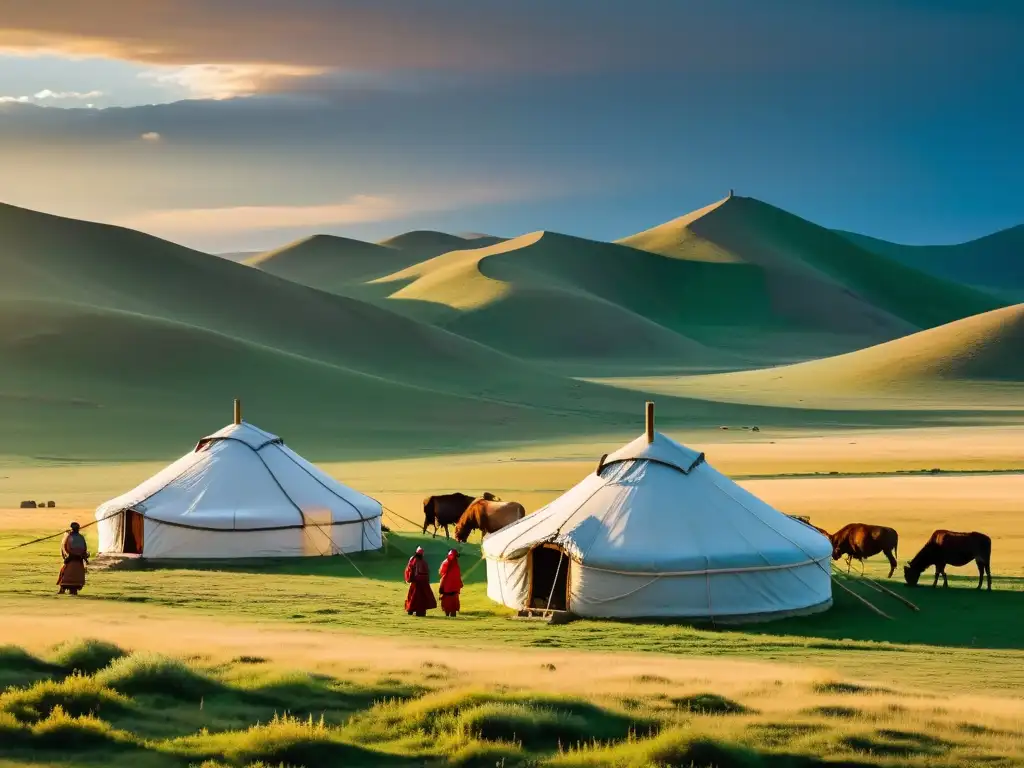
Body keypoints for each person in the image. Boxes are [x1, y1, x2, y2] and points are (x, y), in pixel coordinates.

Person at [57, 522, 89, 596]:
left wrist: (68, 556)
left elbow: (65, 547)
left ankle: (67, 590)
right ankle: (71, 591)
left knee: (67, 574)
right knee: (71, 575)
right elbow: (83, 549)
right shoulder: (79, 537)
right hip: (77, 560)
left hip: (72, 559)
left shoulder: (70, 537)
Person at [404, 546, 436, 617]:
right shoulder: (423, 562)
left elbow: (410, 571)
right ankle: (419, 612)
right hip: (423, 583)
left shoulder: (413, 560)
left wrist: (409, 579)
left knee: (413, 597)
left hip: (416, 582)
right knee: (421, 598)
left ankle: (410, 610)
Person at [438, 549, 463, 617]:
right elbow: (458, 574)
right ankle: (452, 614)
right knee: (453, 602)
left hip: (447, 586)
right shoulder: (454, 563)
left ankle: (448, 614)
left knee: (448, 601)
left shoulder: (446, 562)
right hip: (453, 587)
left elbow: (441, 572)